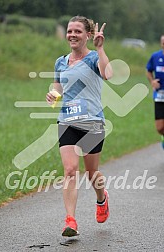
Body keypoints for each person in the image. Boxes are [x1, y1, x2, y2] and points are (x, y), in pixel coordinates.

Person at [46, 15, 113, 237]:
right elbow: (58, 90)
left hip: (93, 123)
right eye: (69, 31)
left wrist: (101, 49)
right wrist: (53, 95)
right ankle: (71, 221)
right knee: (70, 171)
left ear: (87, 35)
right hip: (67, 122)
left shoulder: (94, 58)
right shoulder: (60, 61)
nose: (72, 35)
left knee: (91, 172)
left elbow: (108, 74)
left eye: (77, 31)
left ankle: (102, 198)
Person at [146, 35, 164, 149]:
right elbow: (148, 70)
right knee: (159, 128)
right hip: (160, 96)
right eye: (163, 42)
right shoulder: (155, 56)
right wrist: (152, 81)